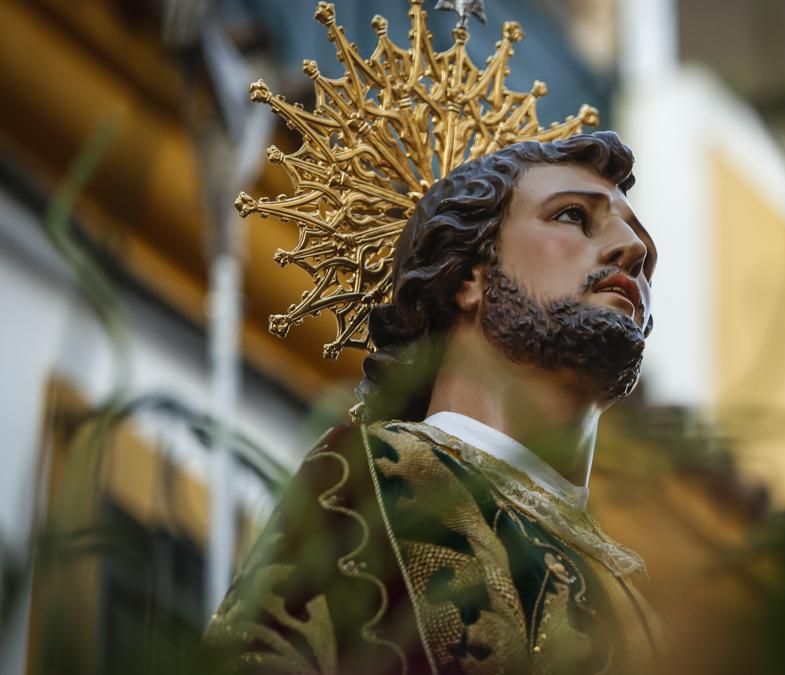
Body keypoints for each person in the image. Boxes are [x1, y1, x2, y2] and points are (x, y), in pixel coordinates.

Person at [203, 3, 662, 673]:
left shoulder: (636, 601)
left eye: (639, 239)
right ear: (470, 276)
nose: (631, 250)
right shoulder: (372, 480)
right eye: (573, 217)